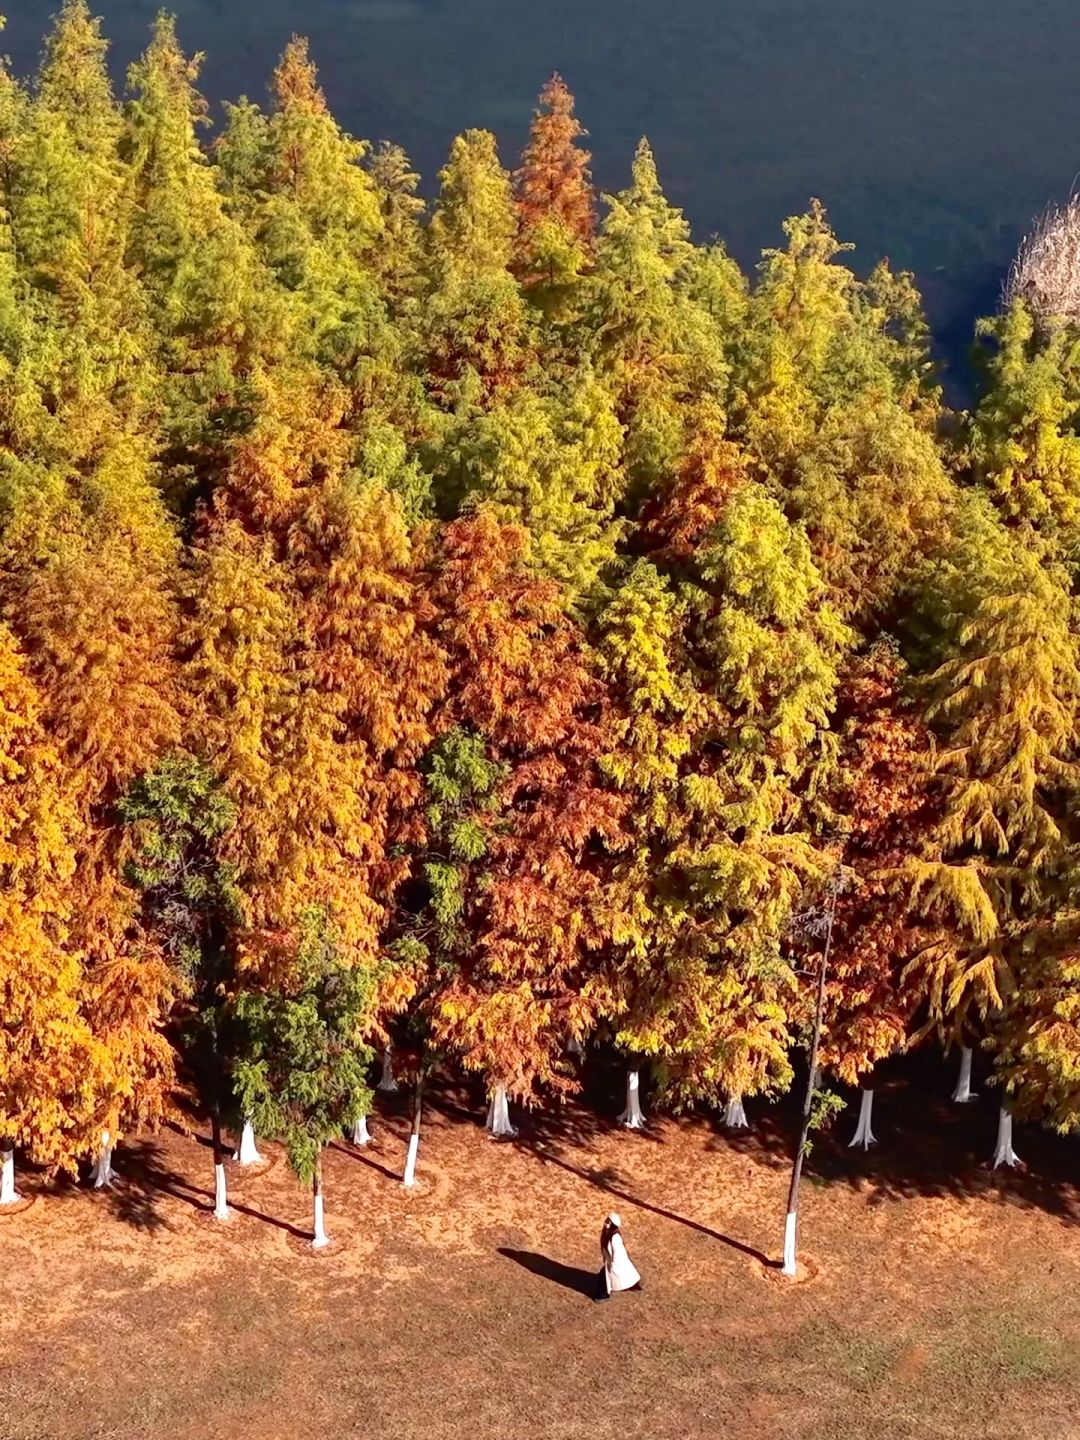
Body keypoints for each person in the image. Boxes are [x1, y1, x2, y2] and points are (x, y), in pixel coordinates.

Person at [594, 1212, 643, 1301]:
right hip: (611, 1264)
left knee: (605, 1278)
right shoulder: (608, 1234)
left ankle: (603, 1296)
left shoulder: (615, 1238)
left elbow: (618, 1253)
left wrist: (613, 1265)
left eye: (608, 1222)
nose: (606, 1223)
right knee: (605, 1277)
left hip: (614, 1264)